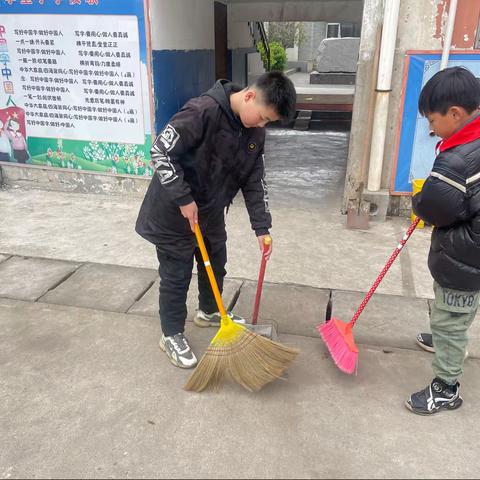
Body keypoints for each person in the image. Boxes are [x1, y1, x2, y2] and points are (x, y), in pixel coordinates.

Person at [135, 72, 296, 369]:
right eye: (261, 117)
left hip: (209, 213)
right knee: (176, 275)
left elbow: (254, 179)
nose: (261, 125)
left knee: (215, 264)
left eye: (267, 122)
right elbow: (160, 152)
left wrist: (262, 227)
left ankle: (209, 311)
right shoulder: (202, 112)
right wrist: (183, 198)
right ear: (249, 96)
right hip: (173, 214)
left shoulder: (254, 134)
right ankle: (171, 334)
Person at [406, 66, 480, 415]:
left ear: (455, 114)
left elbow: (435, 205)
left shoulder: (457, 159)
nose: (430, 128)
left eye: (432, 120)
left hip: (466, 257)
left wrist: (417, 203)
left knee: (450, 314)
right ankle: (450, 337)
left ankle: (446, 388)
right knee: (461, 309)